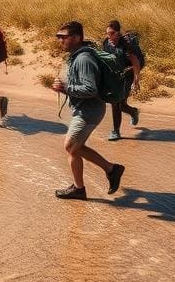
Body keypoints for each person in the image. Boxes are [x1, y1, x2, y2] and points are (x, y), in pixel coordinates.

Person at [51, 21, 124, 200]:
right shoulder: (77, 56)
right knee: (74, 148)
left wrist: (66, 88)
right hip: (83, 109)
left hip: (89, 110)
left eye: (64, 37)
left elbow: (90, 89)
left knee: (70, 145)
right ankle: (85, 184)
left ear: (76, 38)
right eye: (59, 37)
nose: (61, 41)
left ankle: (108, 171)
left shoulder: (84, 59)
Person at [103, 19, 141, 141]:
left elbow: (135, 63)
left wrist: (136, 81)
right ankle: (133, 112)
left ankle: (116, 131)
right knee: (121, 104)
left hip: (127, 76)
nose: (109, 36)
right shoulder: (106, 43)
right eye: (108, 33)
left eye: (112, 33)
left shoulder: (125, 46)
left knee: (116, 103)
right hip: (114, 76)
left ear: (118, 33)